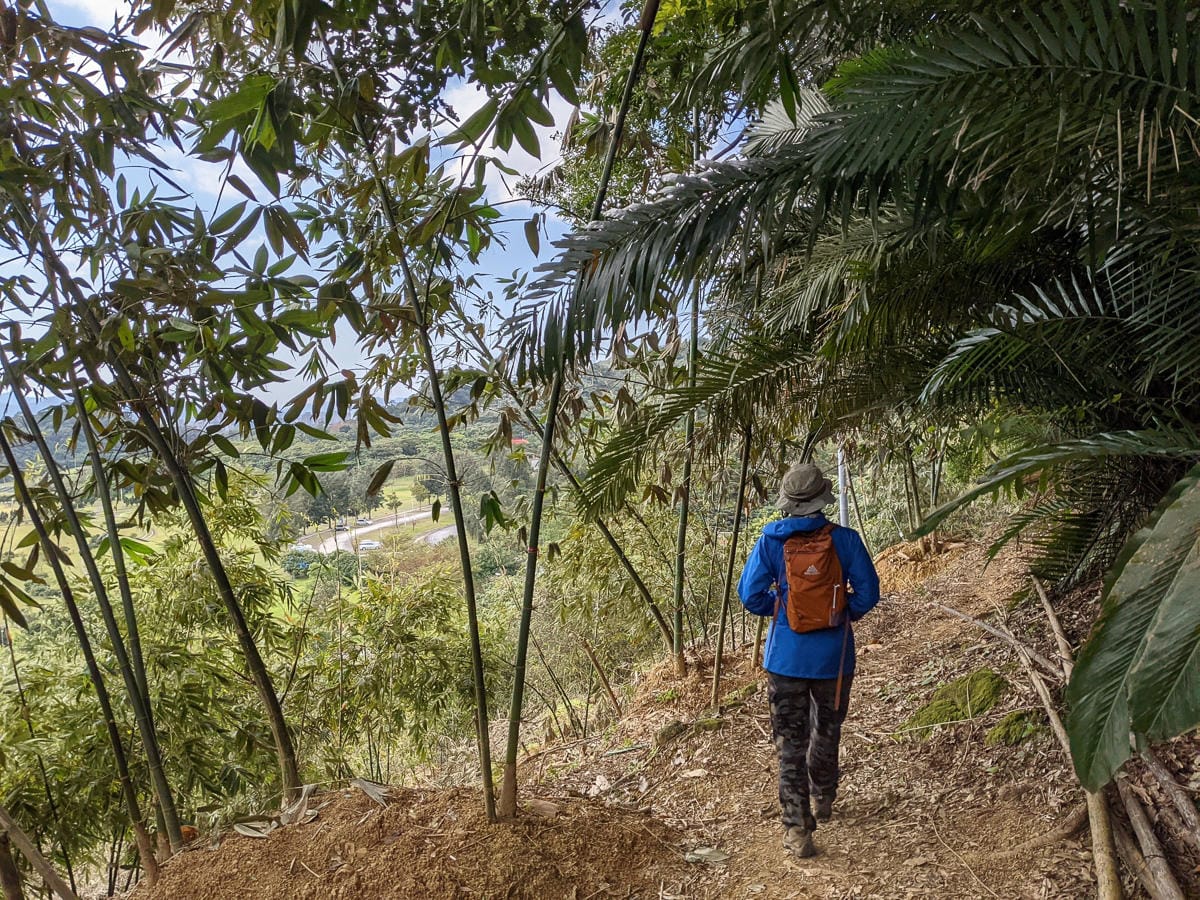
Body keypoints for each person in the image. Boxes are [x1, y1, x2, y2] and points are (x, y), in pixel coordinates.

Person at [738, 462, 880, 859]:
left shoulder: (770, 541)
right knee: (828, 728)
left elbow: (750, 596)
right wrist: (838, 612)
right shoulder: (845, 540)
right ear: (822, 498)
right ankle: (825, 797)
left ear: (789, 502)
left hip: (785, 658)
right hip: (834, 659)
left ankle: (798, 831)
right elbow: (869, 593)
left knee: (790, 745)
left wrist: (783, 609)